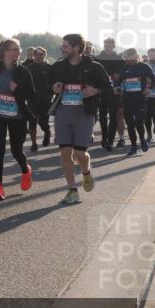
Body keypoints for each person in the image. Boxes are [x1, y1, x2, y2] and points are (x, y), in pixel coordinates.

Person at [47, 33, 112, 205]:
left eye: (66, 46)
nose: (62, 48)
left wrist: (96, 91)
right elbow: (49, 84)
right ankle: (72, 190)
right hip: (63, 112)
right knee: (65, 153)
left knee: (79, 153)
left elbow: (109, 88)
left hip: (85, 113)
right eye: (62, 46)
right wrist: (53, 87)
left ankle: (86, 171)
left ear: (76, 48)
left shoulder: (94, 67)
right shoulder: (58, 66)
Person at [0, 39, 35, 200]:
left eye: (18, 49)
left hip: (18, 116)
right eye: (14, 49)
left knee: (16, 150)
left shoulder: (23, 71)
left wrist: (18, 89)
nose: (18, 52)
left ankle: (25, 169)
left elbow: (31, 95)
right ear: (4, 51)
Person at [113, 48, 154, 155]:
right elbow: (117, 81)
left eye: (133, 60)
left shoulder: (144, 67)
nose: (131, 62)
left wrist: (149, 88)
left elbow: (154, 79)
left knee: (139, 122)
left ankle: (143, 140)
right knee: (130, 124)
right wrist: (116, 88)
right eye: (128, 60)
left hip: (140, 99)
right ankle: (133, 147)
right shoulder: (124, 68)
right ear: (126, 59)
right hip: (127, 100)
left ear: (137, 57)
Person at [95, 38, 125, 150]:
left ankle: (110, 140)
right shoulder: (97, 58)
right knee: (102, 116)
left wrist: (118, 75)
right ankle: (104, 136)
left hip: (114, 91)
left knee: (113, 116)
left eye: (109, 44)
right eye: (105, 43)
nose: (107, 45)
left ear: (113, 45)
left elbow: (123, 74)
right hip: (101, 91)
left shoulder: (119, 59)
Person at [25, 47, 53, 151]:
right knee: (32, 122)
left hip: (45, 99)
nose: (38, 56)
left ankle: (47, 131)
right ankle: (34, 143)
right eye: (36, 54)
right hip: (32, 100)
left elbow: (54, 82)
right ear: (33, 55)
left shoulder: (50, 68)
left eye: (41, 54)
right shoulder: (28, 68)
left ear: (45, 55)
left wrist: (52, 92)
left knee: (42, 122)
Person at [147, 48, 155, 143]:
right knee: (147, 117)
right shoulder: (144, 65)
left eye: (154, 55)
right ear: (148, 55)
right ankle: (149, 133)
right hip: (146, 96)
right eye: (151, 55)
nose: (153, 56)